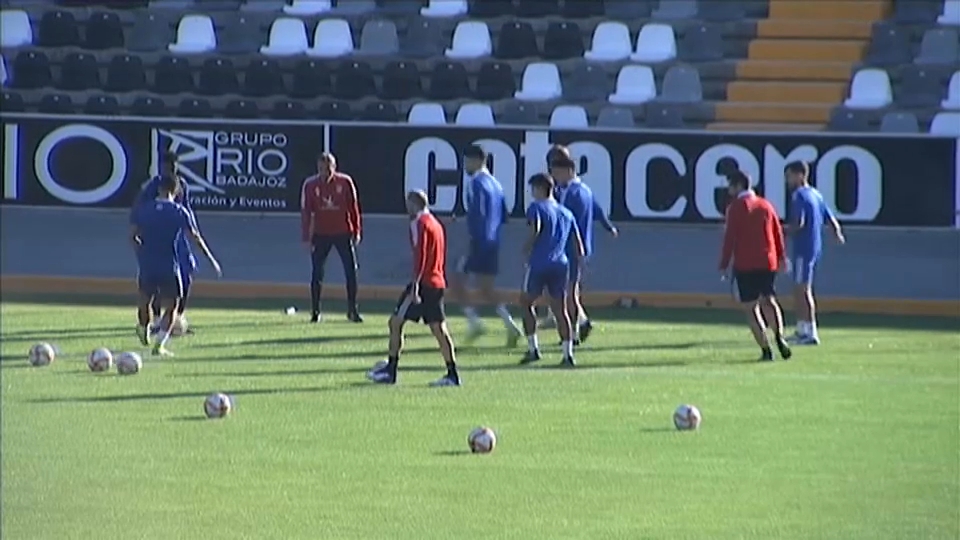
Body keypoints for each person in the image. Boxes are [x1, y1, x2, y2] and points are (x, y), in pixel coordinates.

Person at [366, 191, 460, 387]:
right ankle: (452, 373)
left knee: (395, 322)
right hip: (437, 282)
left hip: (423, 283)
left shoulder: (419, 224)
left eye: (408, 203)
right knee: (438, 328)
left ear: (414, 203)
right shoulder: (435, 223)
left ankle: (391, 371)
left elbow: (421, 254)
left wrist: (415, 284)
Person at [131, 173, 221, 357]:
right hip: (169, 264)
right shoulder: (179, 212)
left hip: (147, 264)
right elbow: (195, 237)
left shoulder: (145, 209)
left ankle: (143, 326)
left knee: (145, 299)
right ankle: (160, 345)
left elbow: (133, 235)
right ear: (177, 190)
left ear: (158, 189)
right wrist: (211, 259)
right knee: (172, 305)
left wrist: (141, 252)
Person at [449, 144, 523, 346]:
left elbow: (479, 213)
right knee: (486, 289)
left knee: (455, 281)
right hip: (493, 242)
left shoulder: (475, 183)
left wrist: (472, 237)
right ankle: (510, 325)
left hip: (479, 241)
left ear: (477, 160)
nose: (465, 165)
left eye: (467, 161)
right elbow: (504, 215)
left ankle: (474, 323)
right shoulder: (496, 184)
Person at [718, 170, 792, 362]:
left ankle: (766, 350)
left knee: (751, 308)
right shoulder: (766, 205)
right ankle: (780, 336)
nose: (729, 190)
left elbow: (730, 238)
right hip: (768, 261)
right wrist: (782, 257)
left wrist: (724, 263)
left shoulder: (735, 207)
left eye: (731, 186)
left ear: (738, 186)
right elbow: (777, 233)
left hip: (745, 263)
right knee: (769, 300)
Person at [550, 154, 618, 344]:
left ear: (568, 171)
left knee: (568, 293)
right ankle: (580, 324)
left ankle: (573, 331)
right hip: (579, 248)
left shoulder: (574, 195)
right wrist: (609, 227)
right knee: (572, 291)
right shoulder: (584, 190)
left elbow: (570, 224)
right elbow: (597, 210)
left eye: (557, 172)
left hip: (571, 249)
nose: (555, 176)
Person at [519, 173, 585, 368]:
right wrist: (580, 266)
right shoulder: (566, 212)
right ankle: (568, 354)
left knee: (526, 303)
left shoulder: (536, 208)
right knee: (560, 309)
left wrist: (526, 248)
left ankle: (533, 349)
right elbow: (578, 245)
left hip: (539, 263)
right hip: (560, 264)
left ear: (540, 189)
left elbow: (536, 228)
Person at [133, 150, 198, 335]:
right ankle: (156, 320)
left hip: (178, 237)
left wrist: (192, 231)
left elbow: (187, 210)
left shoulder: (182, 185)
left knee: (186, 276)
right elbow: (139, 209)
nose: (170, 169)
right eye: (167, 166)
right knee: (158, 280)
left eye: (173, 165)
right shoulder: (153, 186)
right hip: (158, 236)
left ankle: (177, 319)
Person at [785, 161, 845, 345]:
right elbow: (831, 218)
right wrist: (837, 233)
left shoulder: (799, 196)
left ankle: (809, 332)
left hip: (803, 248)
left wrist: (778, 231)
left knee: (802, 290)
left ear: (800, 175)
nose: (787, 181)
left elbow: (799, 223)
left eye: (789, 176)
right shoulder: (816, 194)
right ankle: (803, 328)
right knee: (800, 289)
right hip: (814, 247)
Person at [300, 152, 363, 323]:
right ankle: (315, 311)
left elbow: (354, 208)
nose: (324, 173)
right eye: (321, 169)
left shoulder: (345, 182)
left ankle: (352, 310)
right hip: (321, 234)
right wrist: (306, 236)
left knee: (351, 271)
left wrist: (357, 231)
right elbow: (307, 212)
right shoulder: (310, 185)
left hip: (343, 232)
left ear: (334, 168)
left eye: (327, 169)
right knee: (317, 273)